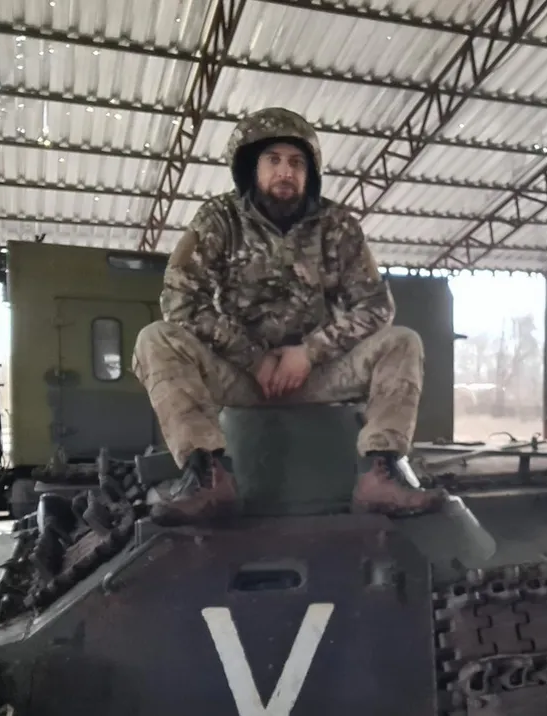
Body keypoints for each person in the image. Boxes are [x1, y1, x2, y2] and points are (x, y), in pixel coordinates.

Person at [131, 107, 446, 525]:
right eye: (274, 160)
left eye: (297, 163)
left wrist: (311, 352)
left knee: (403, 341)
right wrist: (252, 358)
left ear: (309, 172)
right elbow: (181, 299)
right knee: (156, 338)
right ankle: (206, 477)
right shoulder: (219, 220)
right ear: (251, 167)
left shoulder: (336, 225)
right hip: (241, 375)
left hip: (315, 376)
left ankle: (381, 474)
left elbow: (376, 306)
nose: (286, 172)